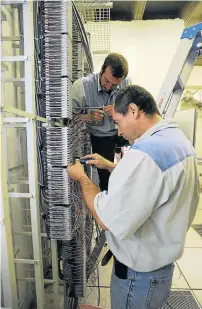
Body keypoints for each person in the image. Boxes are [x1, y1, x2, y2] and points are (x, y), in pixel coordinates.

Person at [67, 85, 200, 309]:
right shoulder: (176, 140)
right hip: (158, 268)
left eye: (118, 122)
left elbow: (106, 219)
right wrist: (110, 165)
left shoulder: (146, 154)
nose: (118, 132)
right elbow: (153, 186)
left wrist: (82, 179)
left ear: (133, 110)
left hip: (139, 278)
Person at [72, 53, 131, 191]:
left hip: (122, 131)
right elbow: (67, 119)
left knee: (137, 160)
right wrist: (87, 117)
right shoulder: (81, 87)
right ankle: (108, 202)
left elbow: (132, 109)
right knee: (106, 179)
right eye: (106, 81)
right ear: (102, 69)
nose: (109, 86)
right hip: (101, 136)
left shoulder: (126, 84)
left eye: (115, 84)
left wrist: (119, 110)